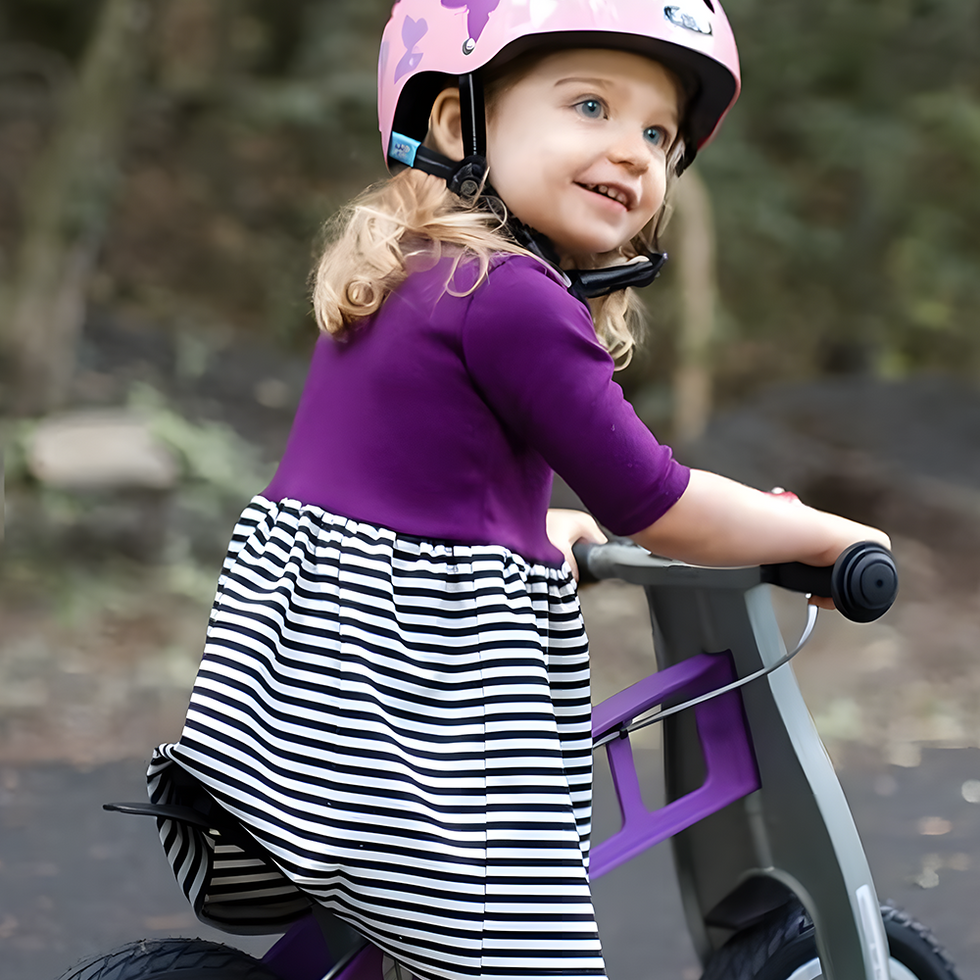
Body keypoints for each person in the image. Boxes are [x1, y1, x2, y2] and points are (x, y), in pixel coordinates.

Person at [147, 2, 890, 978]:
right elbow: (654, 499)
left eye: (657, 132)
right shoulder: (511, 297)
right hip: (407, 735)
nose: (631, 151)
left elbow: (401, 478)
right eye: (590, 104)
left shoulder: (414, 272)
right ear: (457, 124)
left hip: (289, 716)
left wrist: (532, 527)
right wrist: (831, 539)